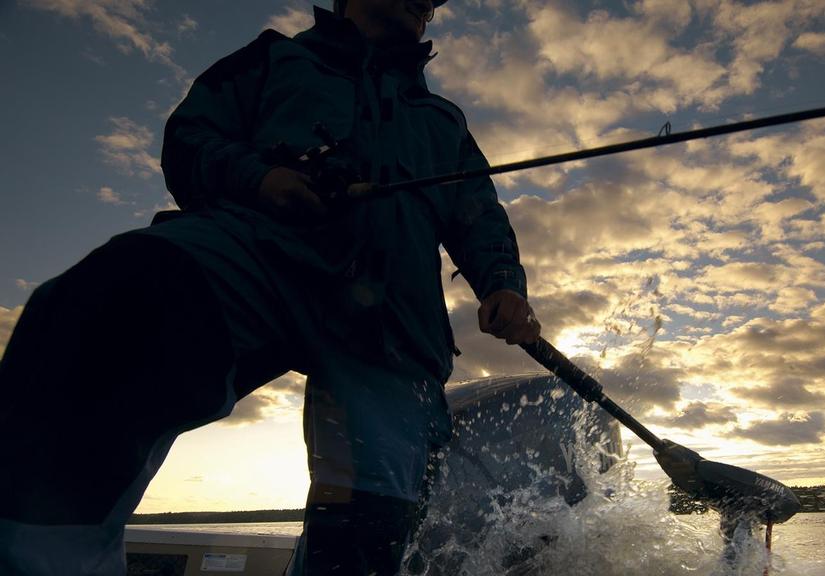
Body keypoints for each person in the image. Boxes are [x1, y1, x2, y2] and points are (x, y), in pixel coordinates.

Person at [0, 0, 540, 573]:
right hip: (263, 257)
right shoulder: (272, 58)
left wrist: (504, 284)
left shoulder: (444, 119)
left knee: (370, 522)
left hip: (394, 317)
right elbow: (189, 139)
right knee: (109, 301)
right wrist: (259, 177)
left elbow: (478, 212)